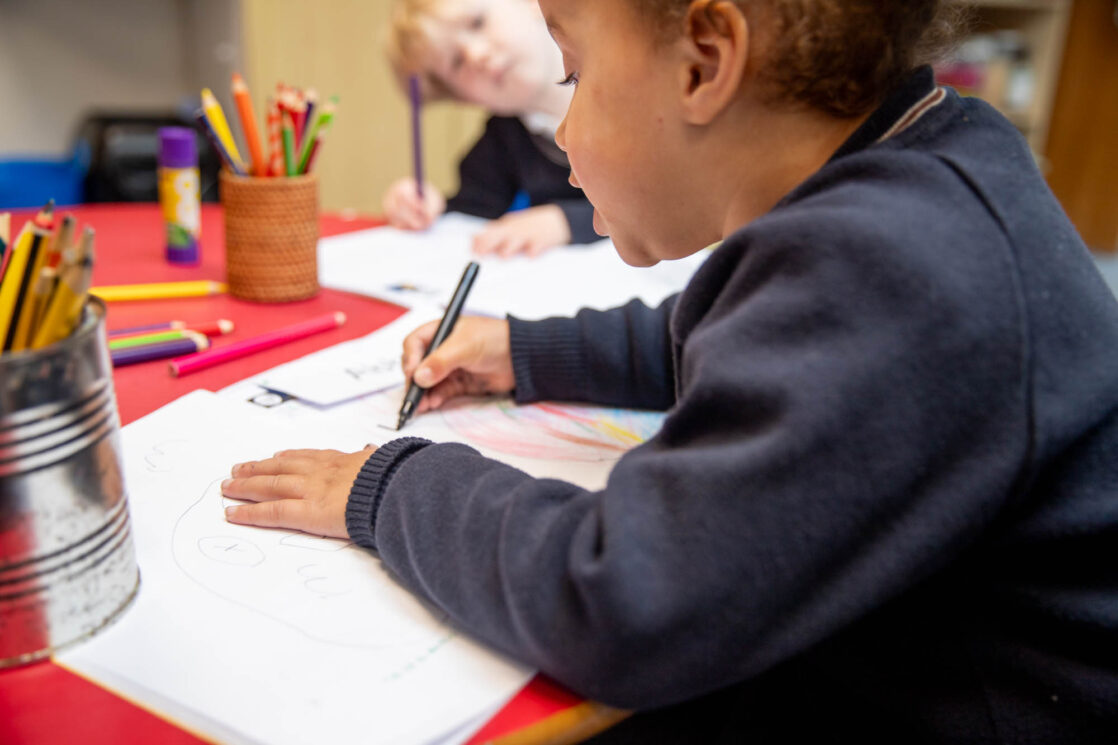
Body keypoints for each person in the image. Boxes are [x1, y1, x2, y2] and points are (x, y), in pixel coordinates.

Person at [222, 0, 1118, 741]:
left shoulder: (891, 266)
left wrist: (387, 487)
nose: (562, 129)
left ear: (703, 61)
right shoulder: (915, 162)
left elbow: (621, 600)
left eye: (573, 75)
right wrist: (525, 352)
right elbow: (728, 329)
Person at [380, 0, 597, 258]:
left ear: (533, 4)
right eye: (457, 62)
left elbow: (644, 204)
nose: (476, 54)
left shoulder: (627, 85)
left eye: (477, 23)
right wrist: (427, 209)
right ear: (462, 98)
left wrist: (566, 221)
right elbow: (473, 212)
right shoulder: (502, 140)